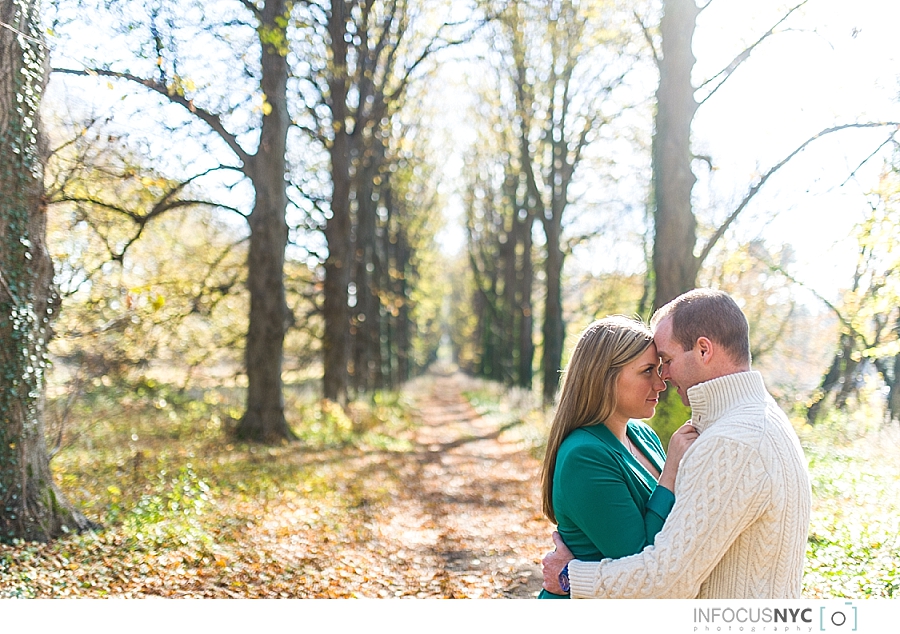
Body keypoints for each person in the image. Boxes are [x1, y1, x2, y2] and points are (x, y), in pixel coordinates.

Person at [542, 289, 812, 599]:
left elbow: (666, 579)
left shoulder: (731, 442)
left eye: (665, 361)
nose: (663, 379)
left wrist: (570, 576)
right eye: (651, 370)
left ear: (703, 350)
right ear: (604, 378)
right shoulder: (758, 421)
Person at [538, 316, 699, 599]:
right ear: (605, 377)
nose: (660, 384)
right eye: (647, 371)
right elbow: (640, 560)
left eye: (660, 370)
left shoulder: (642, 434)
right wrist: (672, 468)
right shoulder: (584, 456)